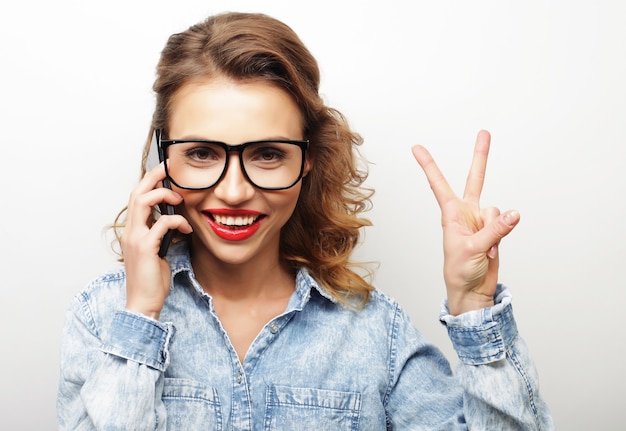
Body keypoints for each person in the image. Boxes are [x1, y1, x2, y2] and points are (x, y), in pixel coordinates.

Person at [57, 11, 554, 430]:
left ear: (309, 159)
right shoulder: (103, 318)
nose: (234, 191)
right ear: (164, 156)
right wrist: (141, 315)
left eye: (269, 153)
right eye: (203, 153)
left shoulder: (376, 335)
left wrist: (474, 308)